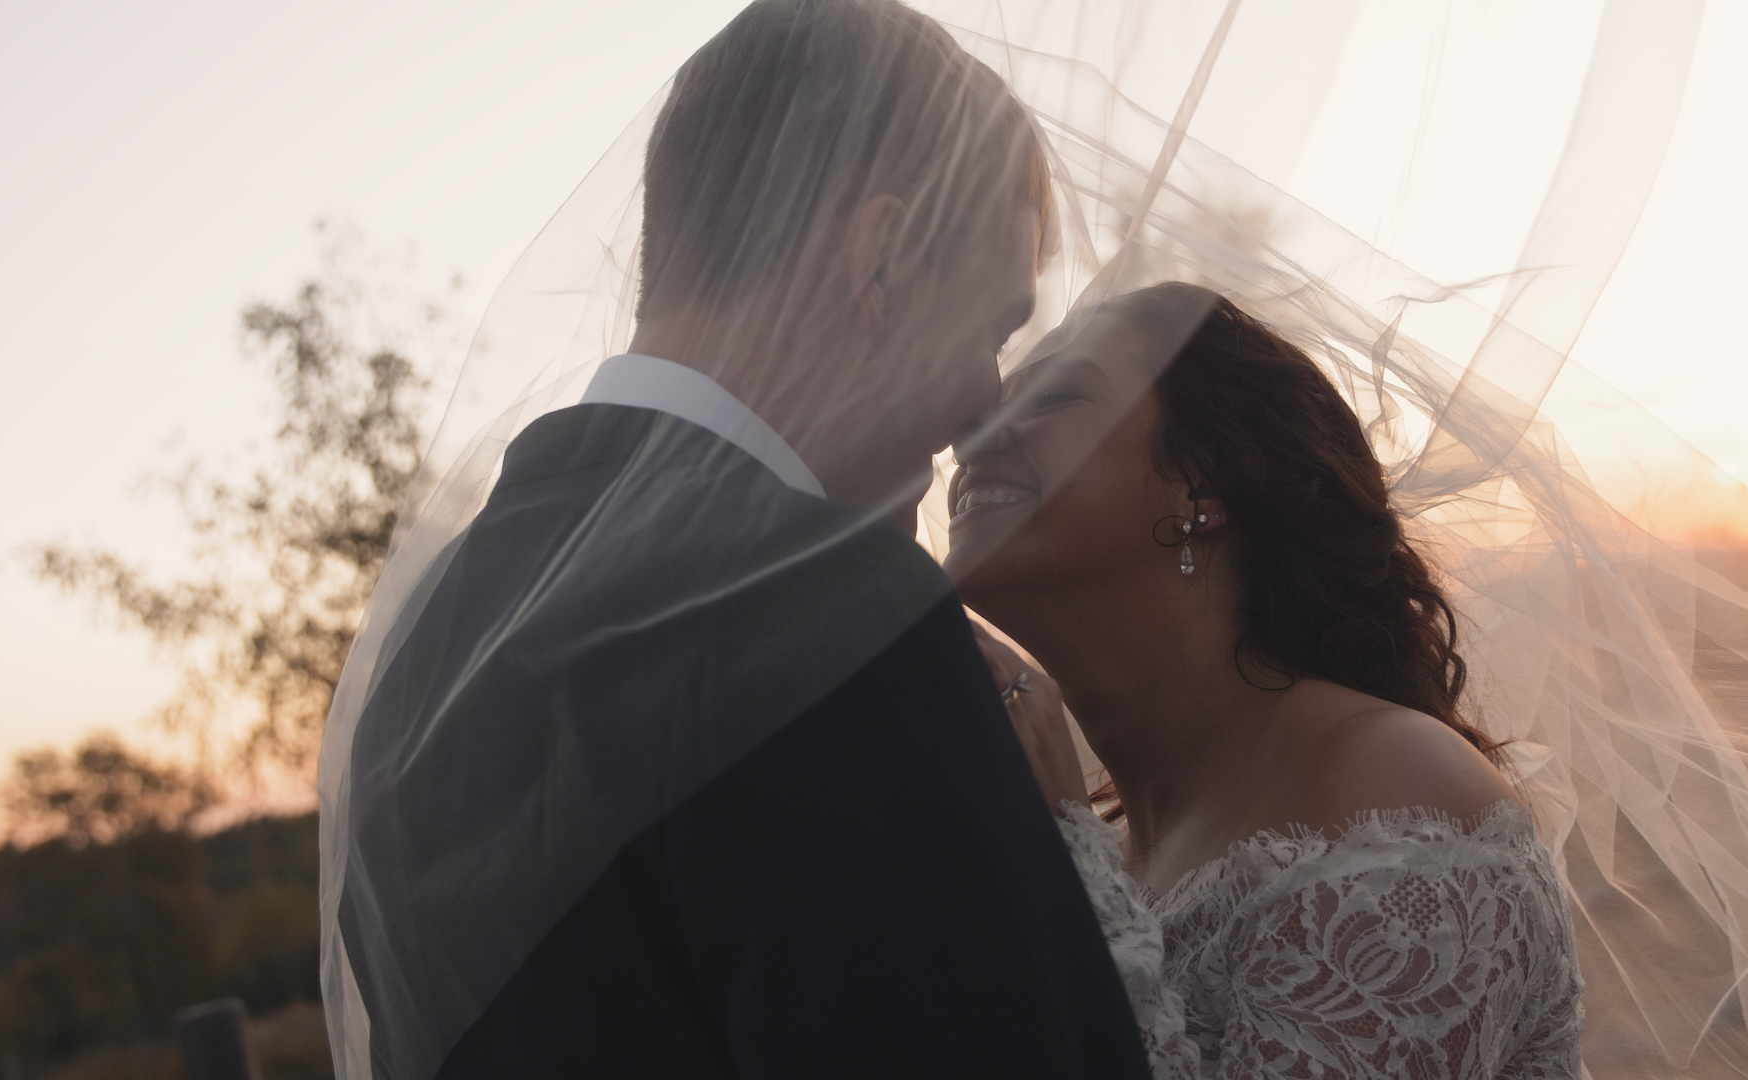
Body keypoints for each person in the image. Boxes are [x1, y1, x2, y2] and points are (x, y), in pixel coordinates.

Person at [321, 3, 1153, 1078]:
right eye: (992, 328)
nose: (977, 405)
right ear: (884, 257)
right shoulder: (832, 620)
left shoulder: (435, 638)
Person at [947, 282, 1584, 1078]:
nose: (969, 432)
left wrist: (1068, 875)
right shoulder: (1110, 840)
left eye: (1054, 395)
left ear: (1203, 485)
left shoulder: (1389, 797)